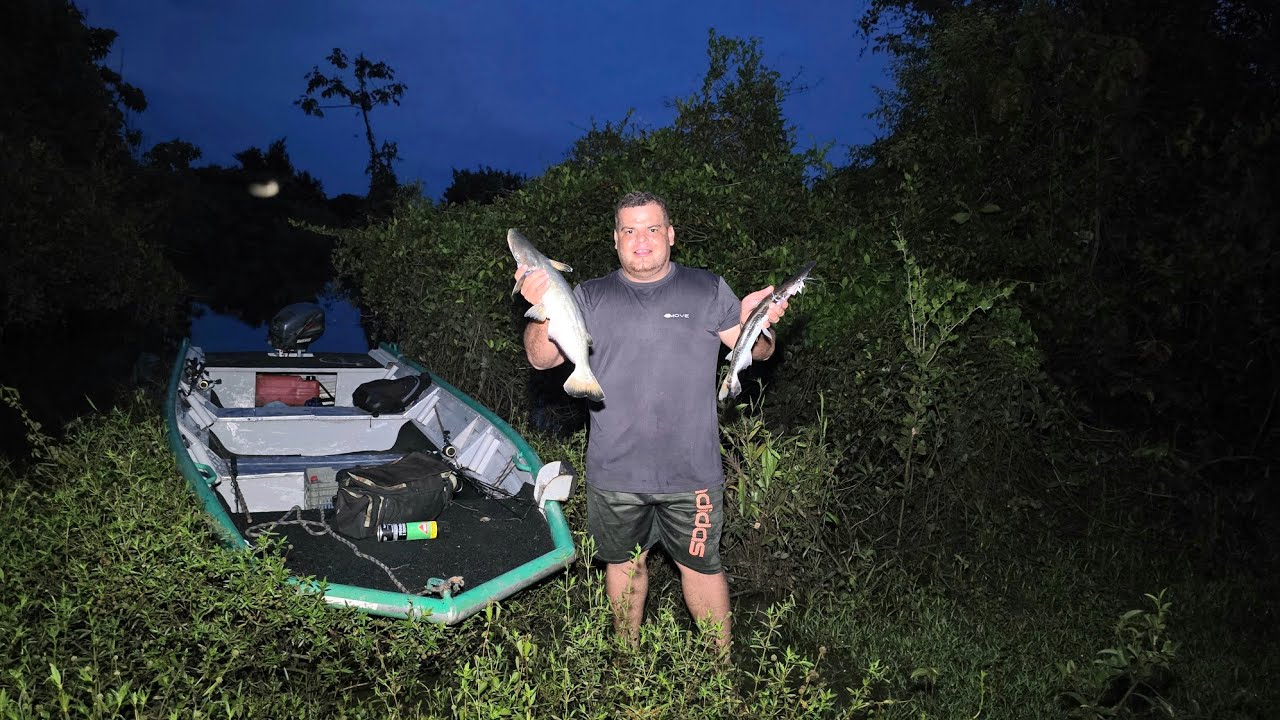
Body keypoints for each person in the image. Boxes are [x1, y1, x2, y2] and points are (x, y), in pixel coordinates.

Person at [515, 191, 787, 651]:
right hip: (615, 469)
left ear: (671, 235)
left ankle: (719, 672)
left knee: (702, 567)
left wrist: (761, 324)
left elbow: (756, 351)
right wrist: (542, 304)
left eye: (652, 229)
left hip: (693, 471)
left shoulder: (706, 289)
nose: (642, 240)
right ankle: (627, 665)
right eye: (630, 230)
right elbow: (540, 358)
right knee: (624, 566)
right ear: (616, 239)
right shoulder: (589, 295)